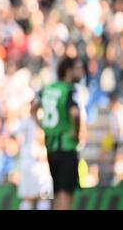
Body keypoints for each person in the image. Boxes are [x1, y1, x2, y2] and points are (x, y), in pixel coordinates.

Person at [31, 56, 85, 210]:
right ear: (68, 71)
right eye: (78, 68)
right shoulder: (68, 90)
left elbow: (33, 108)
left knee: (58, 193)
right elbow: (75, 113)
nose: (81, 72)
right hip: (66, 148)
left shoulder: (48, 88)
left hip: (52, 147)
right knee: (66, 195)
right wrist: (76, 132)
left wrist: (44, 126)